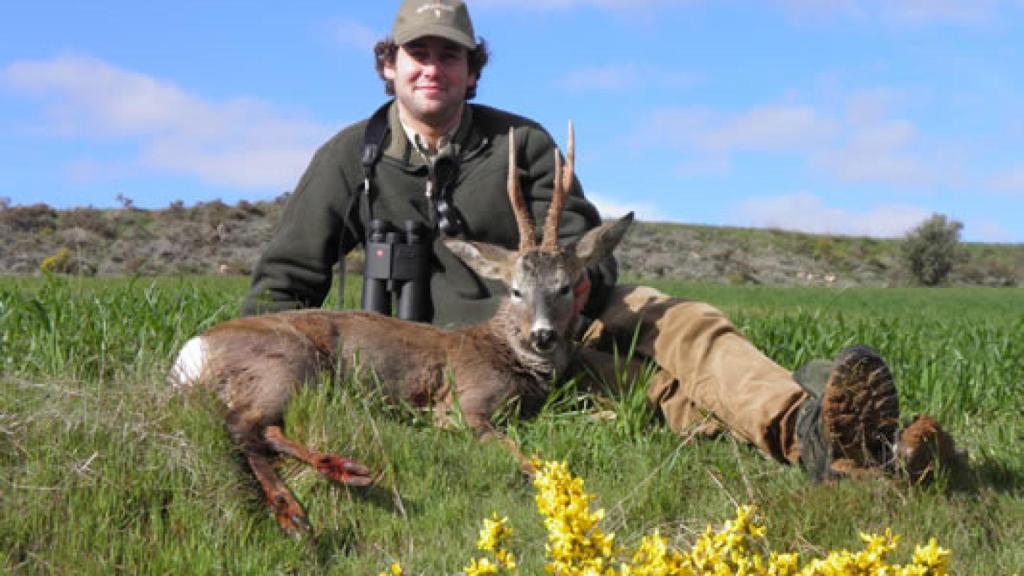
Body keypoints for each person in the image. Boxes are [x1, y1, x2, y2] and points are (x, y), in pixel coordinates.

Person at [242, 0, 918, 483]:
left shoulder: (523, 144)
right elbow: (284, 282)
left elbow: (580, 238)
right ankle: (849, 442)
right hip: (449, 367)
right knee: (652, 392)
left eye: (450, 55)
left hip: (555, 329)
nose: (432, 68)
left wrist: (578, 282)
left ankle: (812, 426)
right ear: (389, 66)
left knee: (676, 318)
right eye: (417, 53)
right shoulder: (347, 160)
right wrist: (256, 363)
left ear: (473, 70)